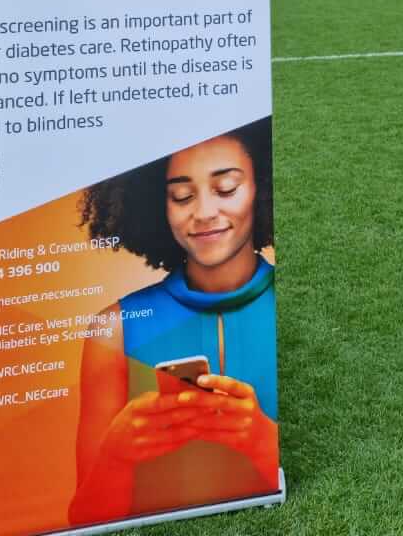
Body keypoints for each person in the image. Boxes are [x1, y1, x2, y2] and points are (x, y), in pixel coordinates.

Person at [68, 120, 278, 525]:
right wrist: (116, 454)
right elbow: (84, 517)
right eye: (181, 196)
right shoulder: (113, 329)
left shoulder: (288, 302)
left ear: (261, 189)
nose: (203, 212)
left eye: (227, 189)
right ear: (156, 206)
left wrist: (263, 440)